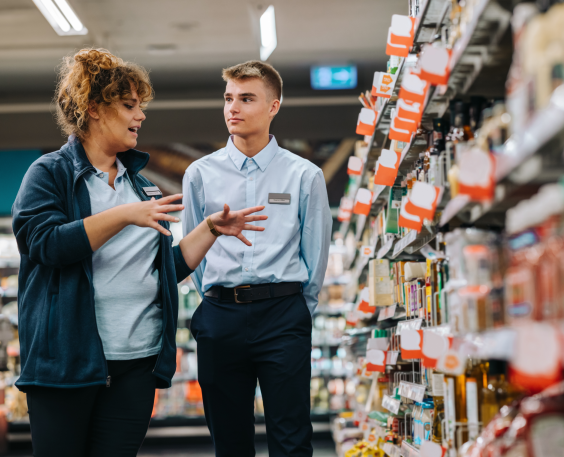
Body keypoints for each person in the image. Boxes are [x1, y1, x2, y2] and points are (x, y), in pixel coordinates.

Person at [11, 48, 267, 457]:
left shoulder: (140, 185)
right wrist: (123, 215)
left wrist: (211, 230)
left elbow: (162, 270)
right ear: (93, 109)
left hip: (137, 363)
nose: (141, 116)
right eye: (130, 106)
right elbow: (44, 244)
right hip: (68, 363)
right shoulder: (50, 174)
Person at [182, 60, 332, 456]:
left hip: (283, 315)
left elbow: (315, 255)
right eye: (229, 98)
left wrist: (299, 310)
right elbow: (192, 251)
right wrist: (216, 300)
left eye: (247, 98)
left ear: (273, 107)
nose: (233, 108)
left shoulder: (304, 175)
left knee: (292, 438)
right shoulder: (199, 174)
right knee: (229, 442)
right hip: (220, 317)